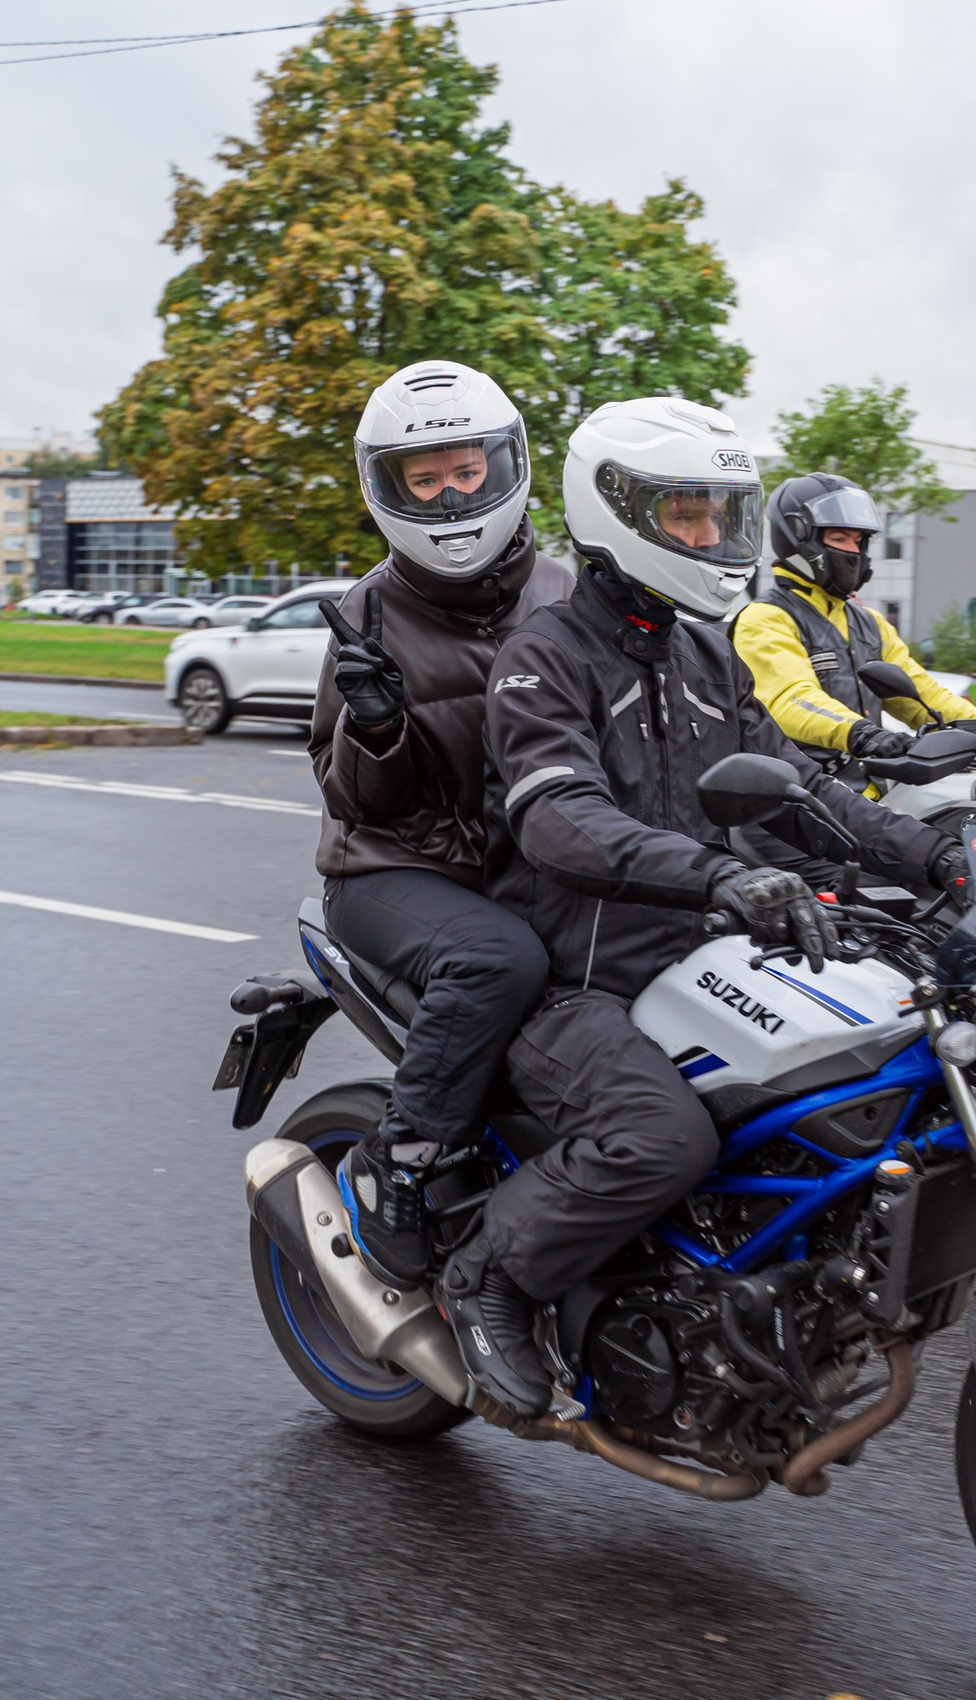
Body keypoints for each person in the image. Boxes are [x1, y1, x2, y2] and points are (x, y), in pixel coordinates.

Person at [448, 398, 968, 1421]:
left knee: (890, 1068)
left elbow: (796, 791)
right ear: (615, 512)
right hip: (576, 979)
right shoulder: (543, 656)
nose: (709, 540)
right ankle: (488, 1280)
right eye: (685, 517)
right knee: (662, 1136)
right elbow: (559, 820)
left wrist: (943, 858)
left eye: (721, 517)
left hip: (701, 954)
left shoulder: (706, 654)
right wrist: (719, 877)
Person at [309, 359, 573, 1287]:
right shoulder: (366, 611)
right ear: (387, 488)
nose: (451, 494)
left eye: (465, 470)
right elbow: (352, 803)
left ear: (506, 464)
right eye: (424, 479)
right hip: (393, 867)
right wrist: (375, 728)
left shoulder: (567, 592)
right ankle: (401, 1165)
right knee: (500, 960)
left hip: (530, 860)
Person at [732, 471, 976, 788]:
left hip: (864, 797)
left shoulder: (870, 624)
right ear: (798, 538)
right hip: (794, 800)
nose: (853, 551)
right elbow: (790, 699)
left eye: (858, 541)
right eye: (839, 538)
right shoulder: (767, 618)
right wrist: (863, 734)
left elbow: (924, 698)